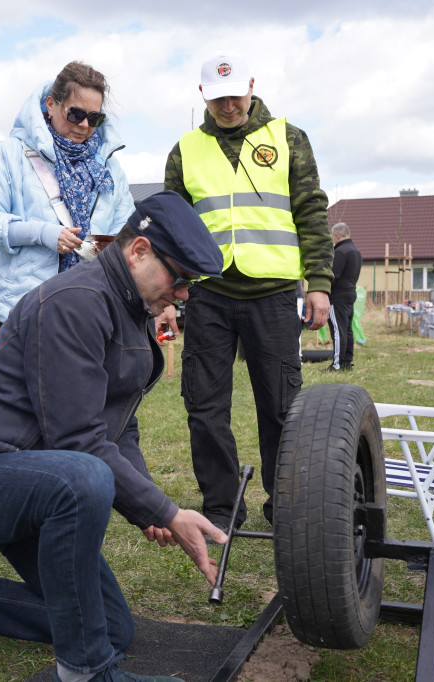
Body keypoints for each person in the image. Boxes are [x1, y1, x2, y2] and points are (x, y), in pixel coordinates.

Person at [0, 192, 228, 682]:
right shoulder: (77, 301)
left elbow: (119, 424)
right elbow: (79, 442)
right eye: (181, 278)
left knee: (112, 627)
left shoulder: (127, 308)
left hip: (41, 481)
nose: (184, 295)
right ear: (139, 251)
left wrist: (151, 506)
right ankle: (84, 672)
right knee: (85, 476)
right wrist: (166, 513)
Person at [160, 54, 333, 531]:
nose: (229, 104)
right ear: (203, 96)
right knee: (205, 407)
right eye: (218, 97)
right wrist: (169, 294)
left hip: (272, 294)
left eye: (236, 94)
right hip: (209, 295)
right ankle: (221, 506)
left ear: (252, 86)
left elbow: (312, 212)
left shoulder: (289, 138)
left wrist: (318, 283)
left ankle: (286, 503)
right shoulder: (185, 150)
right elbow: (173, 225)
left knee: (280, 407)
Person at [0, 61, 134, 325]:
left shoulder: (110, 166)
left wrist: (108, 246)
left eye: (94, 118)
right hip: (27, 310)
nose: (84, 126)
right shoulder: (10, 153)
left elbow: (127, 228)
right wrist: (43, 234)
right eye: (76, 114)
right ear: (50, 104)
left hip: (93, 308)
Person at [326, 222, 362, 371]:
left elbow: (333, 275)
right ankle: (347, 362)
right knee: (347, 329)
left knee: (337, 330)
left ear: (336, 235)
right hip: (350, 293)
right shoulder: (355, 251)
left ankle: (337, 364)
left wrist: (323, 289)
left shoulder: (340, 252)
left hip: (338, 296)